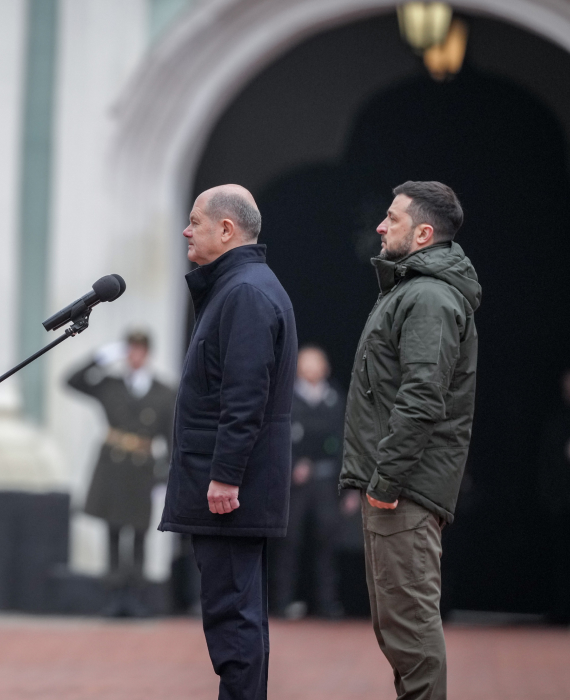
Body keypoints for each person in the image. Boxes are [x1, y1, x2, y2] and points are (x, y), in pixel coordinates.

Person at [341, 181, 479, 700]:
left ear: (423, 233)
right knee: (400, 633)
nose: (380, 225)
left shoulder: (428, 295)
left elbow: (423, 398)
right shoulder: (412, 289)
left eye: (392, 218)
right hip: (401, 487)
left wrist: (385, 482)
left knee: (412, 636)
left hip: (405, 491)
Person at [158, 184, 296, 700]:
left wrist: (225, 475)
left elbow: (244, 395)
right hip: (230, 485)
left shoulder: (244, 292)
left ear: (226, 229)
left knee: (232, 618)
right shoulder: (240, 287)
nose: (187, 230)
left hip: (228, 491)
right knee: (238, 614)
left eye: (195, 220)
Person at [66, 329, 174, 614]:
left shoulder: (164, 392)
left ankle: (136, 598)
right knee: (112, 531)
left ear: (148, 354)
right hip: (113, 466)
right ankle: (114, 597)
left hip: (142, 468)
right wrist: (99, 359)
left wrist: (166, 473)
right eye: (130, 350)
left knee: (139, 533)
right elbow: (71, 381)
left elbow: (172, 436)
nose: (135, 356)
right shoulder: (111, 385)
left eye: (140, 350)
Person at [268, 344, 344, 620]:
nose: (311, 369)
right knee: (288, 542)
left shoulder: (335, 398)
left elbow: (343, 442)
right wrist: (291, 465)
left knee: (326, 543)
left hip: (325, 482)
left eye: (316, 363)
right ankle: (283, 601)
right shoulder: (286, 396)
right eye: (306, 363)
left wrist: (344, 484)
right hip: (293, 483)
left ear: (326, 368)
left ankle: (327, 603)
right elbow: (276, 435)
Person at [537, 370, 570, 625]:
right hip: (561, 504)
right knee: (559, 561)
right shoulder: (555, 423)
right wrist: (551, 500)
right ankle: (560, 609)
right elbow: (547, 465)